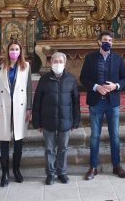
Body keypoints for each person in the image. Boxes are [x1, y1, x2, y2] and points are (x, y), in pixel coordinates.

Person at [80, 30, 125, 180]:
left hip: (112, 102)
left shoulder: (118, 58)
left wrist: (116, 86)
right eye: (105, 40)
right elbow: (83, 78)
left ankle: (116, 165)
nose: (108, 43)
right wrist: (96, 87)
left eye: (110, 41)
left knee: (114, 135)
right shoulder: (90, 58)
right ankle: (93, 167)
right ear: (99, 42)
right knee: (95, 135)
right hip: (96, 102)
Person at [32, 52, 80, 185]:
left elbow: (76, 102)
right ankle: (50, 173)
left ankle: (62, 172)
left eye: (60, 61)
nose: (58, 64)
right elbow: (37, 101)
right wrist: (37, 122)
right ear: (50, 63)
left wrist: (75, 121)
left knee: (63, 148)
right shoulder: (44, 79)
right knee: (49, 148)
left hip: (65, 120)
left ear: (65, 64)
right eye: (55, 61)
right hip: (48, 120)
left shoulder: (71, 79)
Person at [0, 39, 33, 187]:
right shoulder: (0, 66)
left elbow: (29, 89)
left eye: (16, 49)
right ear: (7, 51)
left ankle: (16, 170)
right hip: (3, 106)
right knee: (4, 138)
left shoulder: (26, 66)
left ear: (20, 51)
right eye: (11, 49)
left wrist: (29, 108)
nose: (14, 52)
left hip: (20, 107)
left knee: (18, 139)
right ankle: (5, 173)